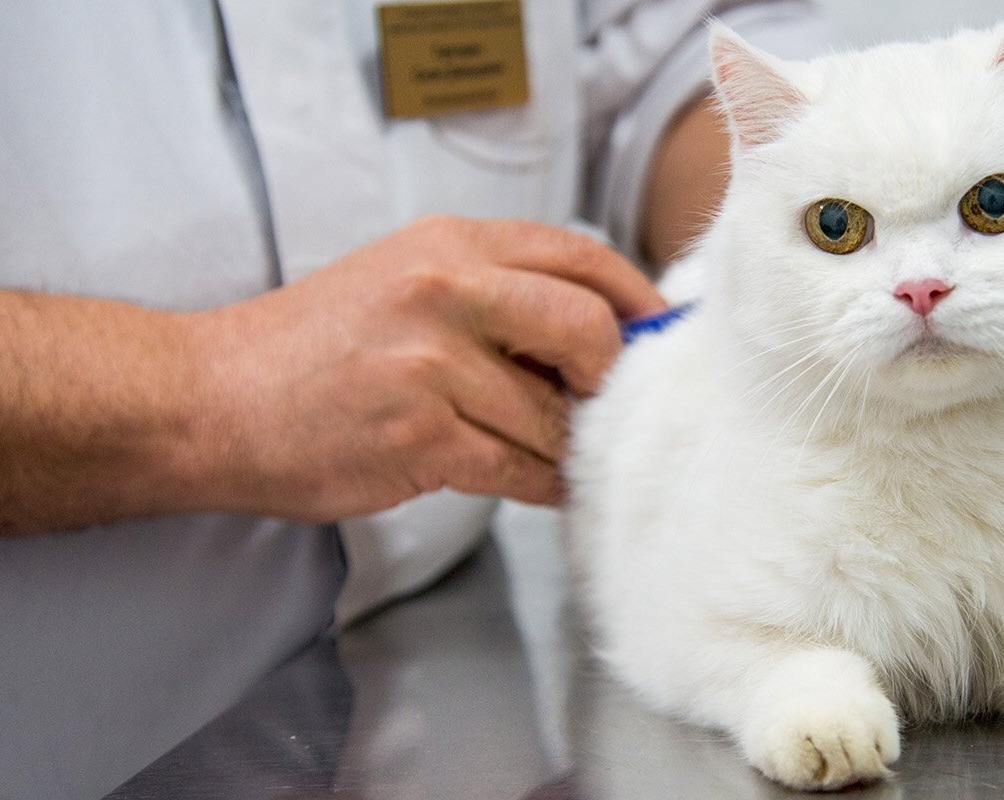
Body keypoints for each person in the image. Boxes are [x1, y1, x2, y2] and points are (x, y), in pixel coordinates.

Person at [0, 1, 831, 797]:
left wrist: (822, 257)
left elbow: (677, 58)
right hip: (80, 740)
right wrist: (205, 388)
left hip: (453, 676)